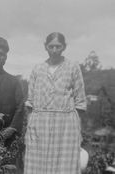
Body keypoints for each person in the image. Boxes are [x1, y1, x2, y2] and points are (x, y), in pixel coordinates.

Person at [24, 32, 87, 174]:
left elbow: (80, 102)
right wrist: (30, 129)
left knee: (63, 167)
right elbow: (30, 103)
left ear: (64, 47)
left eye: (58, 46)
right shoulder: (37, 69)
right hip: (39, 124)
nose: (54, 50)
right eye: (51, 46)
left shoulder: (73, 67)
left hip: (66, 126)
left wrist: (76, 130)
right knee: (37, 165)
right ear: (45, 47)